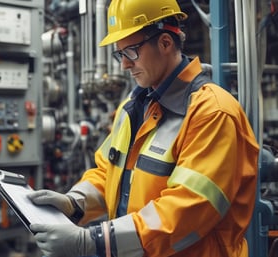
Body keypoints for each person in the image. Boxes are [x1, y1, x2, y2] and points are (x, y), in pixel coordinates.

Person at [27, 0, 260, 256]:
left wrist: (92, 241)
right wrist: (74, 203)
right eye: (120, 54)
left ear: (165, 43)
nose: (124, 65)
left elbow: (189, 209)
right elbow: (108, 173)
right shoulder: (134, 105)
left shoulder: (212, 111)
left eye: (131, 52)